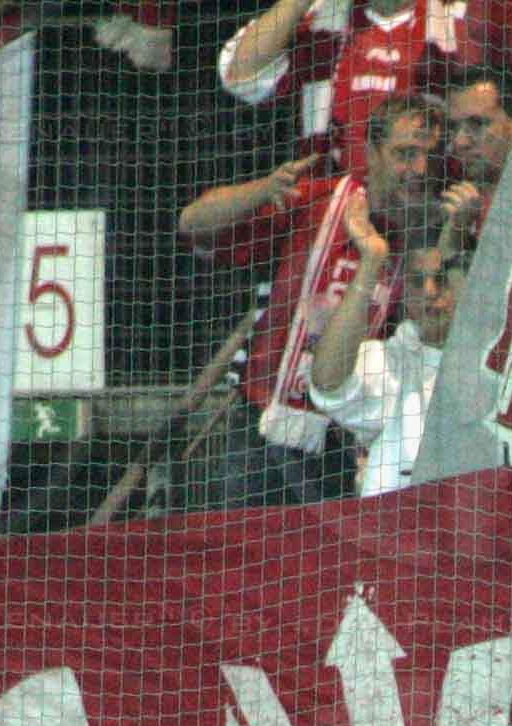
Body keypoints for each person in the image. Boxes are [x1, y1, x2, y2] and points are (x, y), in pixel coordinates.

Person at [179, 94, 448, 502]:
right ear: (371, 153)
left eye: (428, 155)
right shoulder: (321, 201)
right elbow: (192, 222)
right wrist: (265, 188)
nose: (420, 169)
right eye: (404, 154)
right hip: (261, 423)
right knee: (242, 558)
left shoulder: (433, 233)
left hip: (348, 436)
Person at [305, 196, 470, 499]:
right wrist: (371, 261)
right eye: (417, 282)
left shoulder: (505, 359)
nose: (430, 293)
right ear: (403, 290)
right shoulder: (394, 361)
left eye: (442, 279)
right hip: (397, 537)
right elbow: (326, 382)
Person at [216, 0, 463, 175]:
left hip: (427, 209)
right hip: (331, 205)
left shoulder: (455, 17)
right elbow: (240, 77)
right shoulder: (325, 17)